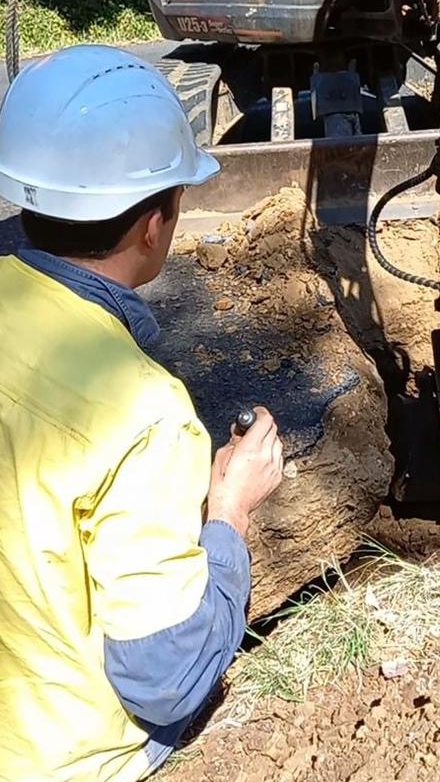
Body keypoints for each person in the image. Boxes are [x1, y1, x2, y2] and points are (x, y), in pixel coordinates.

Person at [0, 44, 284, 782]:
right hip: (58, 759)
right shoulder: (145, 415)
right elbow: (165, 679)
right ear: (155, 224)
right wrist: (230, 513)